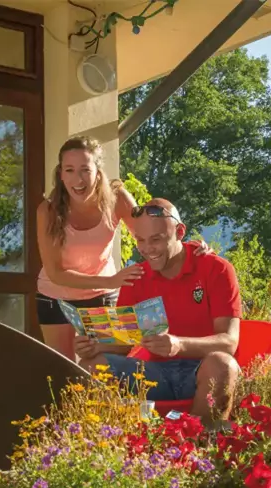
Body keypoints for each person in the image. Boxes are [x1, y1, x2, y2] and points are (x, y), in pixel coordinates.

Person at [36, 137, 212, 360]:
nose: (77, 179)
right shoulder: (47, 211)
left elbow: (151, 228)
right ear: (60, 174)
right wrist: (109, 281)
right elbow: (55, 273)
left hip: (103, 297)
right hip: (56, 298)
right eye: (69, 170)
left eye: (85, 170)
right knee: (61, 372)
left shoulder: (116, 198)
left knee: (102, 367)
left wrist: (188, 246)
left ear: (98, 172)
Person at [75, 198, 241, 424]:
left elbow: (229, 342)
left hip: (201, 370)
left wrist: (179, 345)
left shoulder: (217, 269)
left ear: (180, 232)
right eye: (140, 240)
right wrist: (93, 345)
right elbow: (124, 342)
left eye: (156, 239)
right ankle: (111, 444)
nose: (147, 249)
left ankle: (200, 447)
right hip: (154, 374)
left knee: (224, 364)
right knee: (90, 366)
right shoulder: (136, 277)